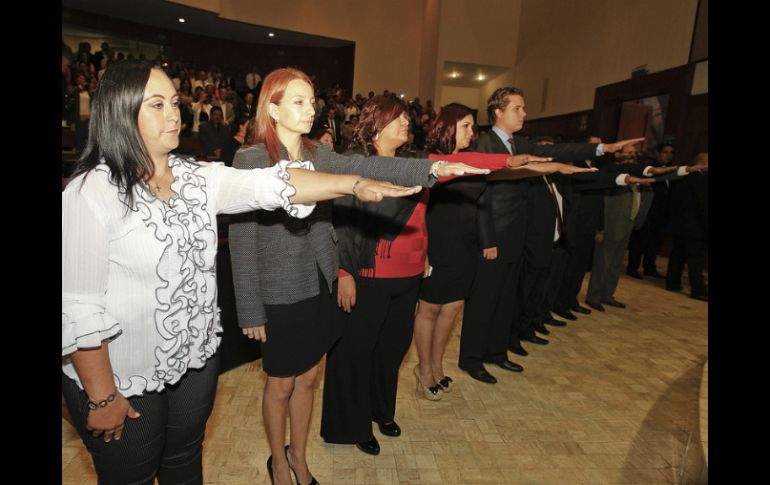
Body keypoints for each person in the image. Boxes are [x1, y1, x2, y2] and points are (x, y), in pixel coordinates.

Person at [61, 60, 423, 485]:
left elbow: (275, 187)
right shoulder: (90, 194)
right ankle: (279, 461)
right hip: (128, 374)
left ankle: (297, 459)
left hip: (196, 362)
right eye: (156, 105)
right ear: (119, 112)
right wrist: (102, 398)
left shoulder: (196, 177)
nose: (175, 114)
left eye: (175, 102)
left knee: (184, 464)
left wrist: (379, 179)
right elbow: (78, 308)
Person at [228, 68, 486, 485]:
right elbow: (241, 241)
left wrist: (433, 168)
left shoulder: (317, 153)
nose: (310, 109)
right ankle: (277, 461)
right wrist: (249, 309)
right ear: (272, 108)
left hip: (319, 283)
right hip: (277, 290)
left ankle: (299, 455)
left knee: (309, 379)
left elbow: (367, 164)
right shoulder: (251, 159)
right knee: (280, 383)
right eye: (298, 101)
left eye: (312, 100)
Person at [320, 98, 554, 456]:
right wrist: (344, 272)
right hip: (369, 272)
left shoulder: (412, 159)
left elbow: (465, 162)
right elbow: (341, 224)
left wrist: (507, 161)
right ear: (376, 122)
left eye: (405, 118)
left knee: (392, 349)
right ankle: (350, 425)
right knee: (357, 351)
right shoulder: (355, 162)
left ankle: (380, 411)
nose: (405, 124)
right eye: (397, 119)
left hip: (409, 273)